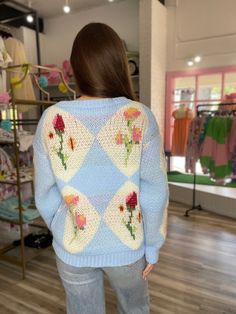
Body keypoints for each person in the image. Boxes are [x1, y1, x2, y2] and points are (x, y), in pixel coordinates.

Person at [33, 22, 169, 314]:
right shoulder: (139, 116)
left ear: (77, 69)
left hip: (73, 247)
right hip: (128, 249)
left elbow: (44, 193)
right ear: (119, 63)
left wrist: (61, 226)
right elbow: (155, 190)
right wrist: (153, 245)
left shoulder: (50, 119)